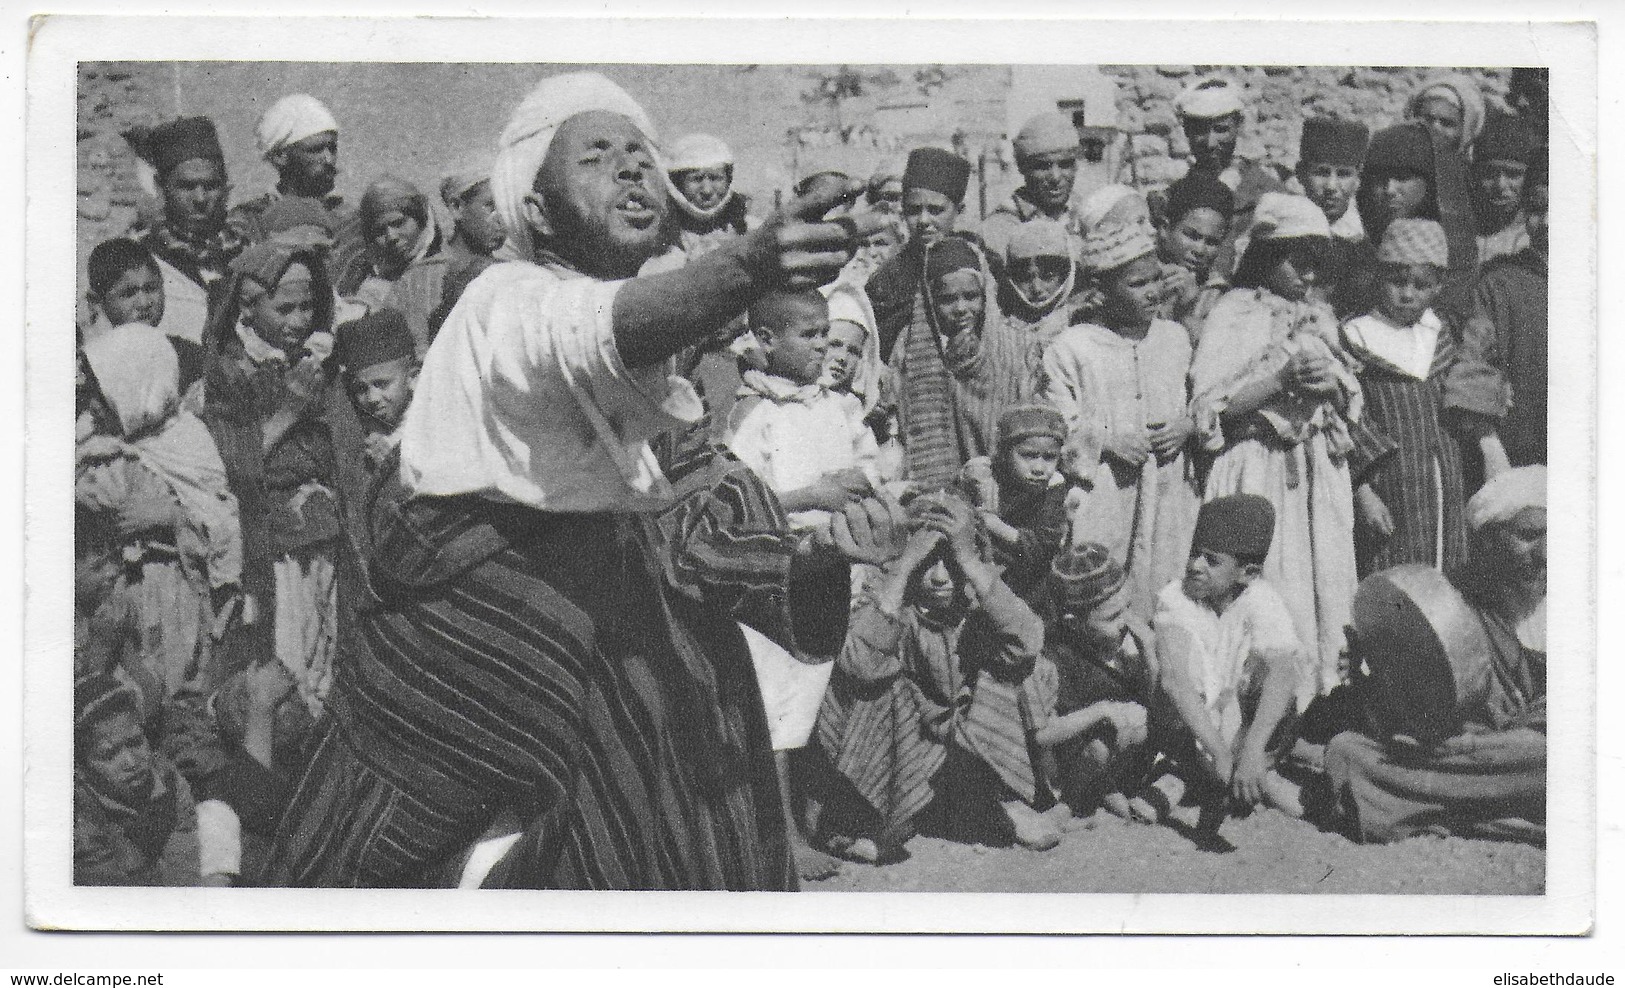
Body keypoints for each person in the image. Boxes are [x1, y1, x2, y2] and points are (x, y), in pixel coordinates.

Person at [257, 71, 877, 891]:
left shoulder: (659, 353)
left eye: (638, 153)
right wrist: (742, 269)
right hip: (488, 702)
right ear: (538, 210)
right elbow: (580, 334)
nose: (629, 167)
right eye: (595, 155)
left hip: (643, 722)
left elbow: (692, 529)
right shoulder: (503, 301)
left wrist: (821, 561)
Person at [815, 490, 1058, 859]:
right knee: (869, 681)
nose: (941, 577)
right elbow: (860, 665)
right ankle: (867, 817)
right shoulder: (892, 599)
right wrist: (902, 568)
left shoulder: (976, 601)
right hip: (912, 746)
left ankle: (1005, 795)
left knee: (1022, 664)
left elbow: (1027, 641)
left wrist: (969, 559)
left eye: (951, 561)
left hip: (968, 746)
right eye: (928, 561)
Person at [1191, 192, 1361, 696]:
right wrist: (1281, 381)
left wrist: (1329, 385)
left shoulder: (1318, 317)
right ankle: (1261, 700)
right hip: (1257, 463)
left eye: (1316, 264)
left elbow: (1349, 397)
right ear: (1265, 257)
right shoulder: (1235, 313)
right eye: (1295, 261)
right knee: (1270, 580)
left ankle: (1318, 695)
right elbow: (1213, 406)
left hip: (1313, 470)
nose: (1307, 275)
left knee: (1318, 577)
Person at [1323, 466, 1546, 844]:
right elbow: (1422, 717)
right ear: (1488, 541)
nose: (1543, 553)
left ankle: (1435, 801)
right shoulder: (1449, 613)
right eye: (1527, 537)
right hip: (1497, 753)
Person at [75, 325, 243, 788]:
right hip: (122, 592)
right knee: (136, 697)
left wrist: (170, 517)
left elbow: (224, 520)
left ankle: (197, 792)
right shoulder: (101, 443)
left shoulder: (185, 440)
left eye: (103, 395)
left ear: (136, 390)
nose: (92, 406)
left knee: (181, 694)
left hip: (176, 593)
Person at [199, 241, 346, 719]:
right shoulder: (229, 371)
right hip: (273, 552)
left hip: (325, 540)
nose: (299, 320)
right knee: (287, 672)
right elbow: (233, 465)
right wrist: (291, 410)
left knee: (329, 662)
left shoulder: (316, 358)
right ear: (248, 305)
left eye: (308, 307)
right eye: (285, 308)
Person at [1044, 220, 1202, 622]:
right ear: (1102, 291)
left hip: (1169, 491)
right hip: (1105, 492)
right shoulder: (1073, 348)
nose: (1152, 292)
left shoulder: (1175, 339)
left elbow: (1204, 400)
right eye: (1136, 284)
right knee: (1102, 594)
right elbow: (1056, 425)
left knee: (1167, 588)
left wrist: (1187, 426)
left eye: (1155, 280)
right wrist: (1106, 442)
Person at [1343, 219, 1510, 578]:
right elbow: (1348, 417)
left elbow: (1471, 392)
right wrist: (1363, 491)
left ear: (1438, 287)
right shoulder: (1356, 337)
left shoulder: (1443, 334)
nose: (1407, 294)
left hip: (1447, 478)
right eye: (1397, 282)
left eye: (1421, 285)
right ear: (1379, 278)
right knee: (1392, 573)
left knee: (1447, 568)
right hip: (1390, 482)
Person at [1153, 495, 1313, 830]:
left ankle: (1250, 770)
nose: (1196, 565)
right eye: (1194, 553)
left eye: (1211, 560)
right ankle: (1209, 776)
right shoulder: (1176, 597)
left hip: (1244, 732)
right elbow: (1175, 682)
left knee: (1275, 673)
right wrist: (1220, 753)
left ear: (1247, 573)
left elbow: (1284, 673)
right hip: (1193, 728)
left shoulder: (1262, 600)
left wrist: (1252, 750)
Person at [890, 235, 1038, 488]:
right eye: (947, 299)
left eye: (971, 296)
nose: (960, 308)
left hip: (1008, 482)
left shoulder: (1017, 344)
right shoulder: (911, 344)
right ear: (930, 299)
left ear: (985, 296)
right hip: (939, 483)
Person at [1031, 543, 1159, 823]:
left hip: (1108, 752)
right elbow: (1042, 734)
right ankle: (1070, 803)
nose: (1125, 622)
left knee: (1149, 725)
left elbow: (1152, 703)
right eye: (1113, 616)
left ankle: (1105, 788)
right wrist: (1101, 710)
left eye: (1128, 607)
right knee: (1100, 746)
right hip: (1065, 759)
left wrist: (1149, 653)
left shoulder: (1120, 645)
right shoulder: (1056, 658)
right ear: (1073, 622)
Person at [74, 672, 204, 886]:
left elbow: (185, 867)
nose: (130, 762)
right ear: (83, 768)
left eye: (135, 742)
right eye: (109, 754)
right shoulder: (83, 814)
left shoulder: (170, 781)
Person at [122, 116, 240, 343]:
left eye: (211, 186)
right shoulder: (140, 256)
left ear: (225, 190)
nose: (200, 198)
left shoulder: (243, 251)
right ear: (160, 187)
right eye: (186, 186)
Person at [1347, 122, 1479, 320]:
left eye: (1402, 177)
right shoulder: (1357, 249)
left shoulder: (1457, 255)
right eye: (1380, 179)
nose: (1390, 189)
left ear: (1428, 183)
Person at [228, 94, 361, 279]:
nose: (329, 160)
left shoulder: (352, 222)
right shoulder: (249, 221)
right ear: (280, 157)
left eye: (332, 148)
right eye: (315, 150)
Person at [866, 146, 977, 360]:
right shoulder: (888, 277)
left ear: (959, 211)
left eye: (935, 210)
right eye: (914, 210)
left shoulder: (983, 264)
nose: (924, 221)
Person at [959, 404, 1076, 607]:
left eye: (1049, 457)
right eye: (1028, 455)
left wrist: (993, 523)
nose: (1039, 468)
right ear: (1005, 453)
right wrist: (969, 476)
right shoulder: (991, 476)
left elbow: (1043, 547)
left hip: (1033, 584)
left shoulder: (1053, 488)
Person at [1171, 77, 1286, 282]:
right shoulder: (1177, 195)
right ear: (1186, 131)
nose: (1210, 142)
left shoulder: (1268, 191)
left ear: (1238, 126)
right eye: (1199, 130)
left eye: (1221, 129)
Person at [1473, 159, 1548, 468]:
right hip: (1519, 454)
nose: (1546, 222)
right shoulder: (1499, 284)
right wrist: (1490, 445)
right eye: (1535, 210)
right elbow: (1474, 363)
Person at [1292, 116, 1370, 315]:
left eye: (1344, 174)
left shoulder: (1364, 238)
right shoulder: (1283, 225)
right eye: (1321, 172)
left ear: (1359, 178)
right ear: (1301, 173)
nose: (1331, 187)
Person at [336, 176, 444, 318]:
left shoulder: (445, 270)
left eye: (398, 223)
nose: (391, 237)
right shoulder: (363, 277)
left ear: (420, 218)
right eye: (380, 231)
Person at [982, 111, 1085, 259]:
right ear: (1022, 168)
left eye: (1065, 164)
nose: (1055, 177)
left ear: (1076, 166)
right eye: (1042, 166)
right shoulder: (1001, 226)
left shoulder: (1087, 215)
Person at [1154, 171, 1235, 346]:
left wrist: (1187, 311)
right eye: (1191, 236)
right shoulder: (1139, 276)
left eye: (1212, 242)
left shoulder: (1217, 296)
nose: (1200, 250)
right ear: (1164, 229)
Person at [667, 133, 759, 256]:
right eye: (696, 179)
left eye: (715, 178)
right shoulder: (661, 234)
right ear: (678, 183)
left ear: (728, 180)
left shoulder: (753, 230)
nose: (707, 190)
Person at [998, 218, 1081, 347]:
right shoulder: (1001, 329)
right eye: (1025, 278)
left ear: (1066, 275)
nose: (1036, 288)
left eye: (1048, 277)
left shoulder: (1079, 321)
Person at [1470, 114, 1537, 266]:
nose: (1500, 185)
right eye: (1489, 173)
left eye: (1513, 174)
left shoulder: (1536, 236)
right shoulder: (1460, 232)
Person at [1404, 73, 1487, 160]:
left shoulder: (1474, 172)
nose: (1435, 128)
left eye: (1447, 123)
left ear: (1465, 131)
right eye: (1427, 119)